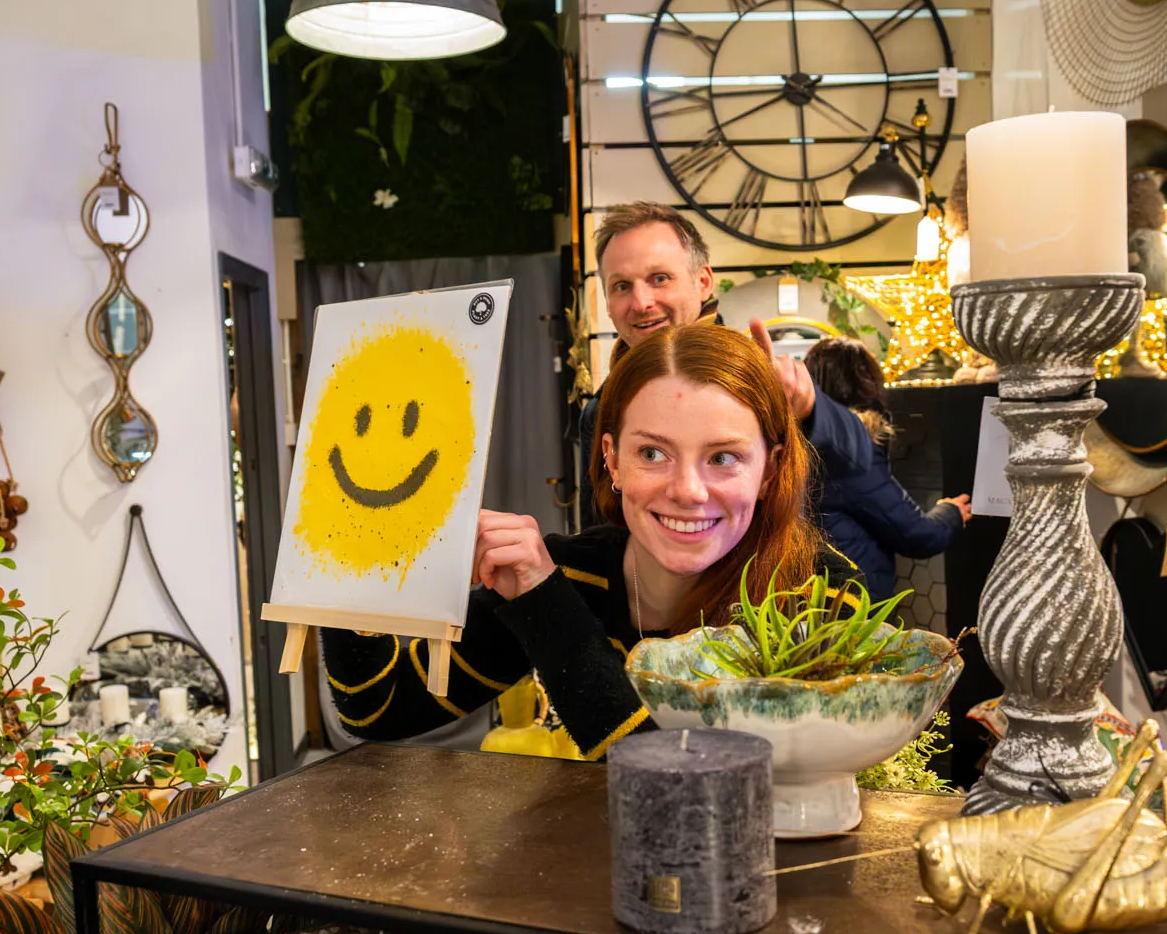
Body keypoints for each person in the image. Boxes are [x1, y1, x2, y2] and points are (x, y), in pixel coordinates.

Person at [323, 321, 857, 756]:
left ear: (769, 470)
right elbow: (378, 711)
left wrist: (547, 609)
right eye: (653, 453)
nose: (689, 491)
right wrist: (345, 565)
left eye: (724, 458)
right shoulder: (568, 576)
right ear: (611, 460)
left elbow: (677, 783)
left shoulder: (822, 594)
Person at [576, 201, 872, 528]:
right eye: (622, 286)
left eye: (659, 278)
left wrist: (808, 407)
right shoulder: (602, 408)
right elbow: (599, 528)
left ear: (703, 282)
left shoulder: (752, 375)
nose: (642, 302)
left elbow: (859, 458)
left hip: (753, 578)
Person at [801, 337, 971, 603]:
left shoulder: (799, 441)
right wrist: (950, 513)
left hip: (806, 596)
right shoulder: (851, 450)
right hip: (850, 608)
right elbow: (917, 535)